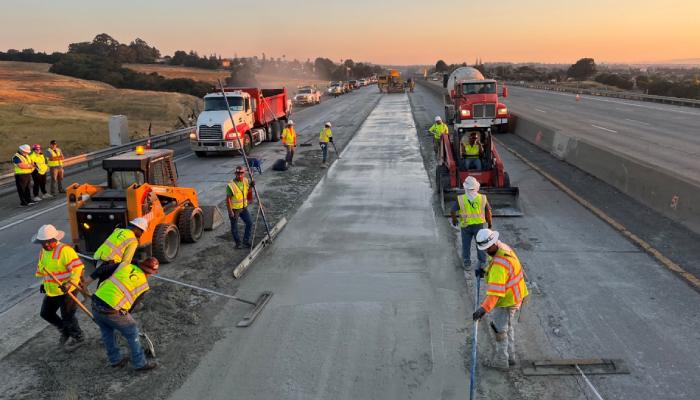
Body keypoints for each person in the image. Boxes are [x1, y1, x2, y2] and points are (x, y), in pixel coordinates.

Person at [89, 256, 159, 371]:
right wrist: (123, 321)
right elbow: (131, 306)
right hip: (110, 310)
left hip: (95, 302)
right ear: (151, 273)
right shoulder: (144, 285)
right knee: (132, 331)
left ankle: (115, 360)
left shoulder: (126, 266)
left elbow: (103, 269)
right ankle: (140, 363)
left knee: (107, 333)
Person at [472, 228, 529, 370]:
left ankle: (501, 361)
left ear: (492, 243)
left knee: (500, 330)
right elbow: (502, 272)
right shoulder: (501, 247)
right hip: (514, 296)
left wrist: (483, 309)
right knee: (508, 327)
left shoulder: (499, 265)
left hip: (507, 301)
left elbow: (495, 294)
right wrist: (485, 272)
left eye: (486, 248)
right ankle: (510, 357)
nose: (485, 251)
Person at [32, 224, 85, 350]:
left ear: (54, 239)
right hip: (52, 290)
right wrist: (43, 283)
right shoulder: (43, 252)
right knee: (46, 313)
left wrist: (69, 283)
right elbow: (45, 270)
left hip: (67, 290)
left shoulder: (65, 250)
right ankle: (65, 331)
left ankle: (78, 337)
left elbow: (78, 269)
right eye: (43, 242)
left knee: (68, 316)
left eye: (48, 242)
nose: (46, 245)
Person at [451, 176, 492, 270]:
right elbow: (488, 212)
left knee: (466, 245)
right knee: (481, 244)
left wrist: (454, 219)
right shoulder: (482, 198)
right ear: (476, 186)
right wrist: (490, 224)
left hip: (466, 226)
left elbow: (452, 210)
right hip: (479, 226)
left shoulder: (460, 199)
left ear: (465, 187)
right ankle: (482, 262)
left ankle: (467, 262)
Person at [227, 166, 254, 249]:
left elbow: (247, 190)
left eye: (241, 173)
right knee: (234, 227)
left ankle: (245, 241)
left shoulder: (245, 180)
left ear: (244, 173)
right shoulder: (231, 185)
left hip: (243, 208)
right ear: (235, 174)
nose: (239, 175)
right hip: (235, 210)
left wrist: (251, 186)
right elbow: (228, 199)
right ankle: (238, 243)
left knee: (249, 223)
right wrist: (230, 211)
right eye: (238, 174)